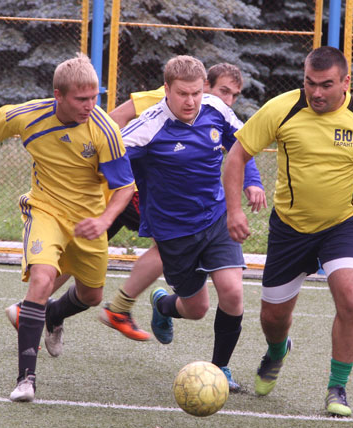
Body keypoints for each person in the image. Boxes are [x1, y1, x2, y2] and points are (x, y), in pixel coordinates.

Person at [222, 46, 353, 416]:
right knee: (272, 319)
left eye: (326, 85)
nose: (317, 93)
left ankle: (337, 387)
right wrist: (234, 210)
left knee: (352, 298)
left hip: (344, 224)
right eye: (310, 83)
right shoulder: (283, 108)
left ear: (346, 82)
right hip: (290, 228)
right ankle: (277, 351)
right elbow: (237, 155)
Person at [0, 54, 135, 403]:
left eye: (94, 97)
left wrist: (105, 220)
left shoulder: (104, 129)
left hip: (87, 221)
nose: (90, 105)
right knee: (42, 278)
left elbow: (125, 186)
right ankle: (25, 380)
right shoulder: (22, 115)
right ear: (58, 95)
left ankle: (53, 315)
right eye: (81, 99)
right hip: (44, 210)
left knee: (92, 296)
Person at [108, 55, 267, 392]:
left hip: (216, 218)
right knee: (196, 309)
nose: (191, 101)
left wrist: (252, 180)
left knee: (233, 293)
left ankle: (220, 367)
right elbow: (108, 162)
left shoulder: (215, 108)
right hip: (173, 232)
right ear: (166, 89)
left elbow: (241, 144)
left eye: (196, 92)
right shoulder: (148, 127)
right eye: (183, 93)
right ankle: (163, 304)